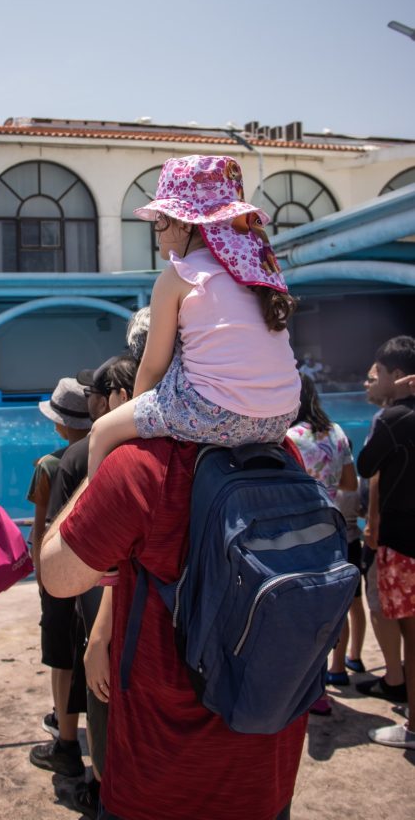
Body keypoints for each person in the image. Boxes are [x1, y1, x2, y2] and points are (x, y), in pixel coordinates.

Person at [40, 436, 305, 820]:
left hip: (158, 780)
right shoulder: (282, 452)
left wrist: (104, 447)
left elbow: (56, 575)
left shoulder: (141, 465)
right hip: (265, 767)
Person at [87, 155, 300, 479]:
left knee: (102, 432)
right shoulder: (256, 270)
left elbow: (154, 365)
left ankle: (92, 527)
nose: (156, 230)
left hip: (217, 412)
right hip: (281, 415)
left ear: (184, 223)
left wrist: (131, 415)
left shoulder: (177, 276)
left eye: (160, 219)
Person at [31, 355, 139, 819]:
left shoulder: (75, 460)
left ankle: (96, 780)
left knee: (94, 688)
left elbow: (55, 545)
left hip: (92, 596)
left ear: (114, 398)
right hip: (132, 605)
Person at [27, 377, 91, 781]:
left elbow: (38, 532)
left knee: (61, 658)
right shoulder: (104, 454)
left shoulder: (48, 466)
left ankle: (64, 740)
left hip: (60, 575)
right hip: (96, 575)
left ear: (59, 424)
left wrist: (41, 579)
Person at [286, 373, 360, 712]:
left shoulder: (287, 438)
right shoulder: (336, 432)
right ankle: (337, 669)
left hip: (298, 535)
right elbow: (348, 483)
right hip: (333, 533)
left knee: (301, 613)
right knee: (334, 605)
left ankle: (310, 689)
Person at [356, 335, 415, 750]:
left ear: (398, 375)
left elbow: (365, 465)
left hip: (403, 543)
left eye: (378, 374)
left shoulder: (394, 419)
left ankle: (412, 729)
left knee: (412, 636)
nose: (372, 382)